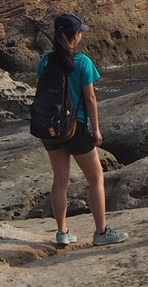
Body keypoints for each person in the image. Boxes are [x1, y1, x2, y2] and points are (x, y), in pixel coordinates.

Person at [38, 12, 127, 247]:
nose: (81, 35)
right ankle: (101, 232)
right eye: (80, 32)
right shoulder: (82, 62)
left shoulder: (45, 61)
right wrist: (96, 130)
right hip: (75, 127)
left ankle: (62, 232)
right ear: (75, 35)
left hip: (51, 128)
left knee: (60, 180)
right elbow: (90, 98)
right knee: (96, 178)